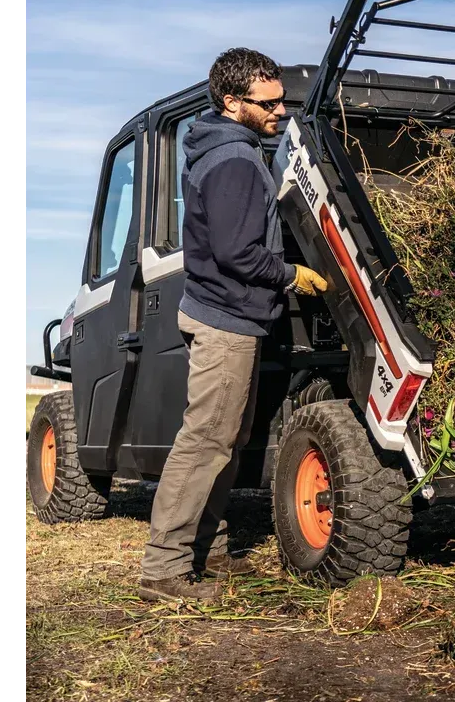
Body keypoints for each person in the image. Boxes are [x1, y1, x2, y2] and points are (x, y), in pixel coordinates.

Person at [138, 48, 331, 603]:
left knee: (225, 439)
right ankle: (165, 570)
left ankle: (209, 550)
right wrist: (293, 273)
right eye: (268, 102)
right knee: (205, 442)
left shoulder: (227, 148)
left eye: (281, 98)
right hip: (226, 319)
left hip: (227, 314)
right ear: (231, 102)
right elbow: (237, 253)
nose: (281, 109)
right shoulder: (235, 162)